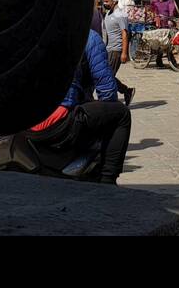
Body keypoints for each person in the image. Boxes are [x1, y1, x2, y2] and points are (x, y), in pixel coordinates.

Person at [27, 22, 131, 184]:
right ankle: (108, 180)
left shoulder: (33, 34)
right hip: (59, 124)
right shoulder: (88, 37)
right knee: (121, 113)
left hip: (26, 125)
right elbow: (108, 91)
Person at [100, 0, 136, 106]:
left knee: (107, 77)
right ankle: (126, 91)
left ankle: (109, 101)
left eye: (107, 1)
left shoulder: (120, 14)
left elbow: (125, 33)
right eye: (104, 1)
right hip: (108, 49)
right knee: (106, 75)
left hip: (116, 49)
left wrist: (124, 52)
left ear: (114, 1)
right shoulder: (108, 14)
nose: (105, 3)